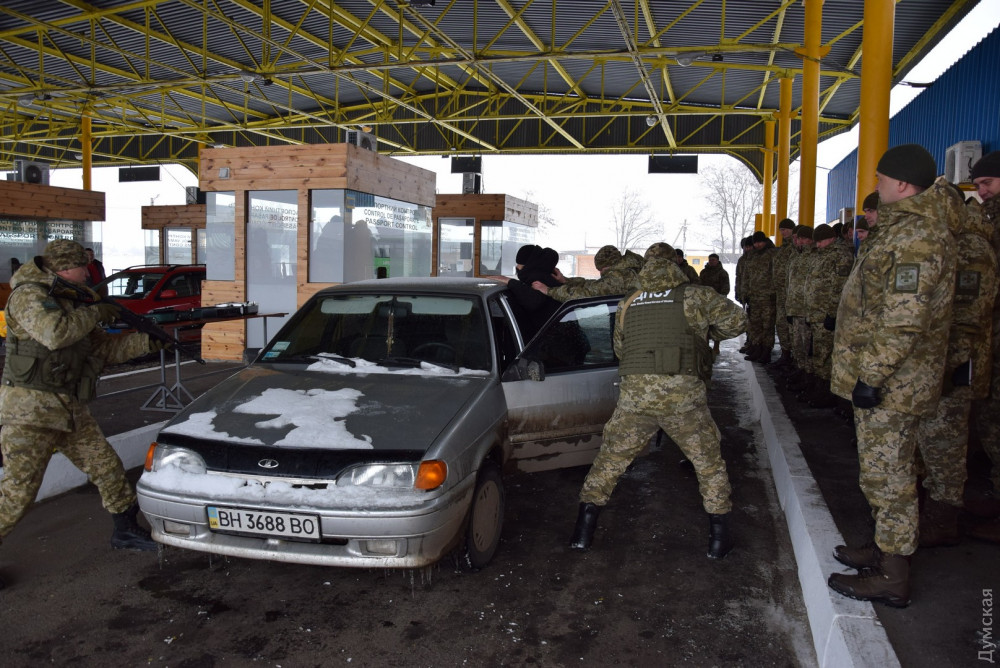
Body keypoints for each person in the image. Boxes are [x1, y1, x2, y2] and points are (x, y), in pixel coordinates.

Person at [827, 144, 959, 608]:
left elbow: (904, 319)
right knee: (883, 474)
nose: (877, 187)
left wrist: (873, 376)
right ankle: (883, 550)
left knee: (890, 477)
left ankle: (892, 575)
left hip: (894, 385)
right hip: (890, 380)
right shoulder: (903, 232)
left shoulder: (918, 238)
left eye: (882, 179)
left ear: (902, 185)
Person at [0, 240, 164, 589]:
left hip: (69, 408)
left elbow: (103, 350)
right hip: (31, 412)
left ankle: (126, 530)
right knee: (18, 493)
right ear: (63, 269)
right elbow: (55, 334)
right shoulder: (29, 296)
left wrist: (150, 341)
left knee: (107, 468)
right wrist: (95, 312)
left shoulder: (74, 300)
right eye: (82, 269)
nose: (89, 275)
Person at [567, 256, 747, 558]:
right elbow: (739, 321)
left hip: (636, 397)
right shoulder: (696, 295)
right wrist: (703, 336)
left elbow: (620, 348)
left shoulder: (629, 301)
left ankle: (582, 533)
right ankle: (718, 539)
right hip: (683, 398)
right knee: (709, 464)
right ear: (676, 272)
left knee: (609, 463)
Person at [914, 183, 997, 547]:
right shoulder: (945, 241)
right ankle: (930, 505)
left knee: (946, 439)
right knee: (928, 437)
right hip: (933, 361)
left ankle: (944, 514)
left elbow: (968, 317)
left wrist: (945, 364)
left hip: (954, 362)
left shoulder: (969, 247)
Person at [801, 224, 853, 408]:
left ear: (831, 238)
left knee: (824, 355)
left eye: (821, 241)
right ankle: (819, 388)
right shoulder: (821, 255)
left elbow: (839, 287)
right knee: (817, 353)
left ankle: (826, 393)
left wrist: (832, 313)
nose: (818, 245)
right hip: (815, 313)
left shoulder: (840, 255)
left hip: (826, 314)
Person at [533, 244, 639, 300]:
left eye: (601, 270)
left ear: (608, 266)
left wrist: (548, 291)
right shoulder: (632, 269)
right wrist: (565, 280)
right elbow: (592, 285)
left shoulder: (620, 278)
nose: (601, 274)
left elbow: (585, 294)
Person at [743, 230, 777, 364]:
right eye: (755, 243)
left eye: (759, 242)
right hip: (754, 297)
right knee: (755, 324)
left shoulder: (772, 254)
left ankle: (766, 351)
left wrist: (774, 293)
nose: (757, 245)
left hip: (768, 297)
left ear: (764, 241)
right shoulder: (752, 256)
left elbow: (777, 274)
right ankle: (757, 348)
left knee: (767, 325)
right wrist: (745, 293)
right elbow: (746, 276)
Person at [771, 219, 797, 368]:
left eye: (787, 229)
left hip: (791, 294)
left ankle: (793, 359)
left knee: (792, 328)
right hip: (780, 293)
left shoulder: (795, 248)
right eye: (782, 229)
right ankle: (785, 354)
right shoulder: (781, 249)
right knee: (781, 325)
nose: (784, 232)